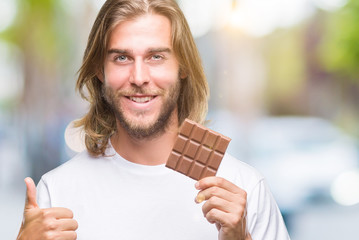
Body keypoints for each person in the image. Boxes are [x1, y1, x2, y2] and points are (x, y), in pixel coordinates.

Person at [17, 0, 290, 239]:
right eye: (122, 57)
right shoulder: (57, 192)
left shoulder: (244, 187)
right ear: (100, 71)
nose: (138, 77)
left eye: (156, 57)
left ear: (183, 67)